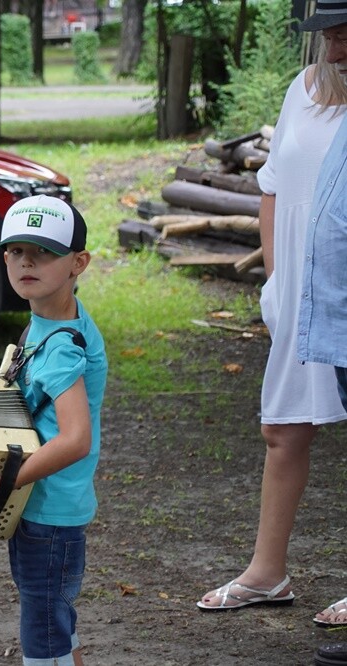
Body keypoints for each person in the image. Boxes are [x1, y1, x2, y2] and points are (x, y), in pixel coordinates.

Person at [198, 4, 347, 630]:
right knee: (284, 429)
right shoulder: (304, 89)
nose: (335, 38)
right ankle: (268, 572)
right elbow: (274, 186)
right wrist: (277, 281)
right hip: (302, 294)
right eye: (329, 29)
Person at [0, 195, 107, 666]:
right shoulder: (49, 323)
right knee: (56, 627)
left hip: (48, 512)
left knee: (43, 640)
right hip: (44, 506)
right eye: (16, 251)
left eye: (43, 252)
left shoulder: (61, 346)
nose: (26, 262)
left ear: (79, 263)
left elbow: (76, 439)